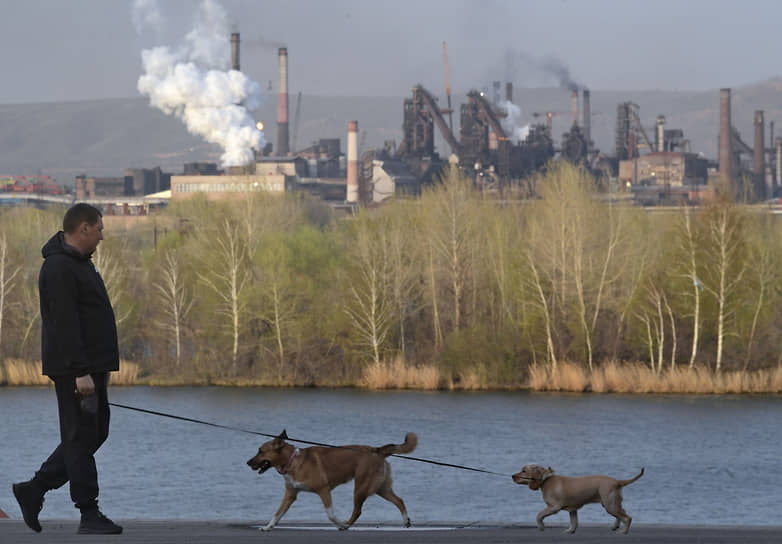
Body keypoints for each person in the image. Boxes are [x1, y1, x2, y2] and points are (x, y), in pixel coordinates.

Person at [12, 203, 122, 535]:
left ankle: (34, 489)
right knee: (78, 437)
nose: (102, 236)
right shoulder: (59, 268)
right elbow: (64, 324)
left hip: (91, 367)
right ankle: (88, 513)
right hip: (76, 369)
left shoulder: (80, 264)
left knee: (94, 433)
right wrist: (79, 371)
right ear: (84, 228)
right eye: (99, 229)